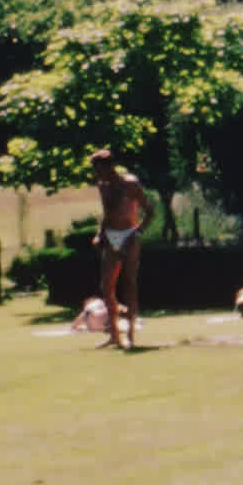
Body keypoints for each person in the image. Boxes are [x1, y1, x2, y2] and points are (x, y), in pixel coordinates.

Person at [90, 148, 154, 350]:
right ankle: (114, 336)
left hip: (129, 234)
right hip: (111, 236)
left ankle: (132, 334)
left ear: (109, 166)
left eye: (98, 169)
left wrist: (136, 233)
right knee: (106, 286)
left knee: (129, 283)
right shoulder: (102, 185)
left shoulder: (130, 184)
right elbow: (107, 214)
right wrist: (100, 233)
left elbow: (150, 212)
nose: (96, 173)